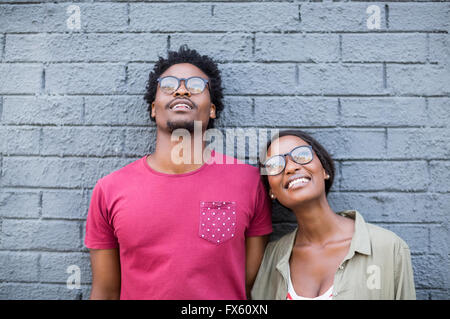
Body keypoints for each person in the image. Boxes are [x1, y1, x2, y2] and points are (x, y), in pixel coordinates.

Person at [84, 45, 272, 299]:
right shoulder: (109, 190)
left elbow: (247, 281)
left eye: (196, 86)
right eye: (169, 85)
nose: (181, 89)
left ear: (213, 109)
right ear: (153, 107)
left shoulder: (249, 182)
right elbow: (105, 292)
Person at [251, 130, 416, 300]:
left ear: (324, 170)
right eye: (274, 165)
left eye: (301, 154)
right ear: (271, 191)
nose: (291, 167)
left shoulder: (388, 248)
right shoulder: (270, 259)